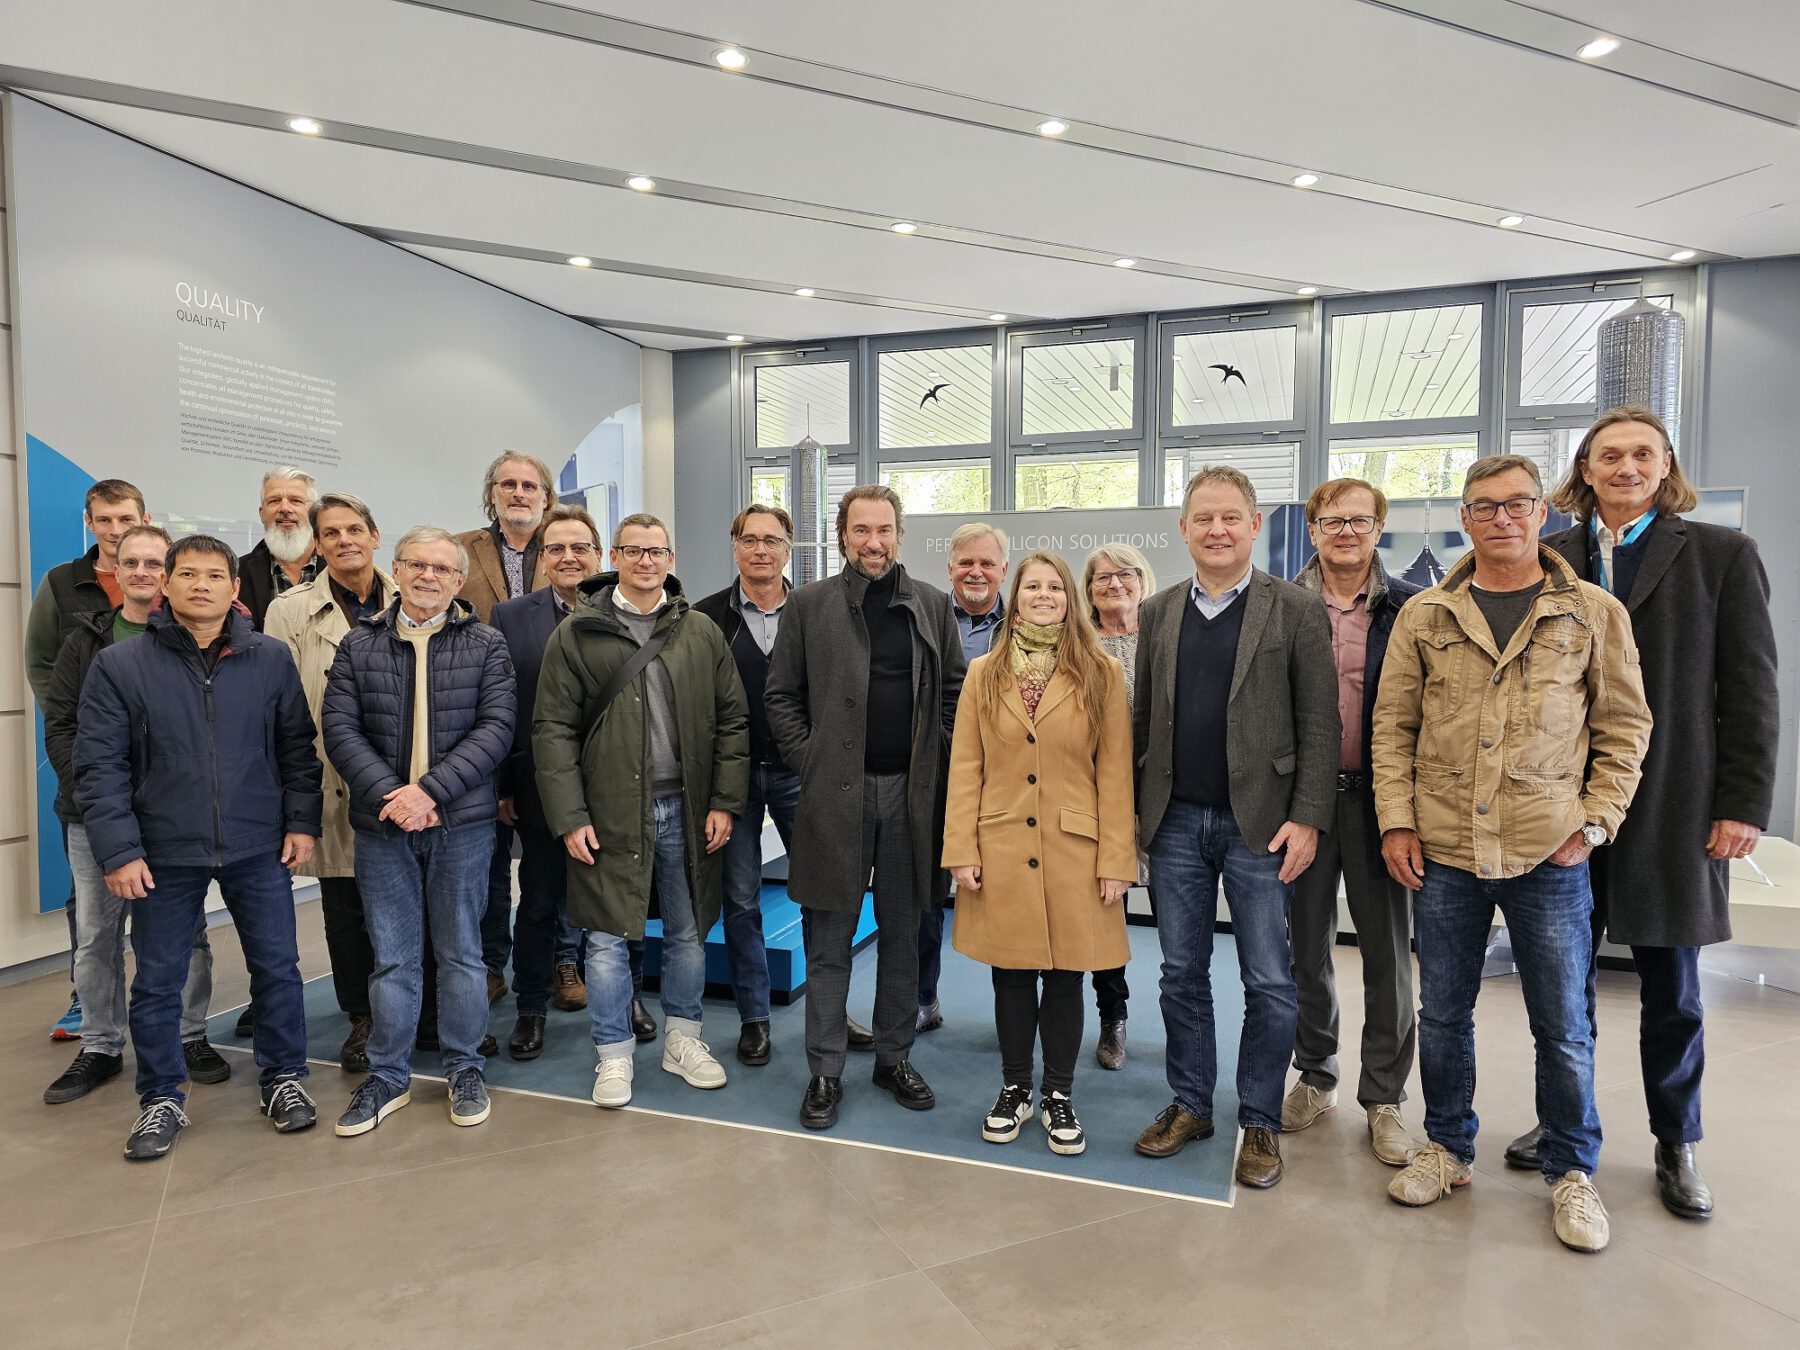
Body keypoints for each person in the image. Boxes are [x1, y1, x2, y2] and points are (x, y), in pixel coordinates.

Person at [1499, 407, 1778, 1220]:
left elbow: (1752, 689)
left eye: (1642, 455)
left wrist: (1741, 803)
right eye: (1609, 455)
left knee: (1673, 989)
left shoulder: (1722, 555)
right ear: (1585, 469)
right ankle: (1566, 1124)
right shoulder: (1551, 554)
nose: (1626, 467)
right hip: (1560, 802)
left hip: (1672, 802)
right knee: (1561, 985)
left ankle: (1676, 1140)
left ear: (1665, 466)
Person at [1373, 454, 1651, 1254]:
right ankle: (1448, 1147)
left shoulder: (1591, 612)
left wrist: (1593, 824)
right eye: (1485, 506)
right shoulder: (1426, 614)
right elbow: (1393, 727)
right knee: (1443, 1013)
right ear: (1466, 519)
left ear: (1541, 513)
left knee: (1562, 1024)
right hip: (1445, 850)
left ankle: (1571, 1170)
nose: (1502, 518)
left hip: (1547, 853)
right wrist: (1397, 822)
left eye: (1517, 504)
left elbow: (1626, 727)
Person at [74, 535, 323, 1160]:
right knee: (159, 979)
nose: (201, 585)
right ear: (166, 584)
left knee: (277, 968)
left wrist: (301, 822)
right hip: (162, 850)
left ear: (235, 589)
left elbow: (297, 748)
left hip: (257, 843)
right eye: (188, 574)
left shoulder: (269, 658)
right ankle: (160, 1096)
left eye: (215, 575)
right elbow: (99, 766)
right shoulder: (121, 665)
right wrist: (119, 851)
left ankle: (283, 1078)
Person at [1131, 466, 1339, 1191]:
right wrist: (1136, 816)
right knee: (1180, 974)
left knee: (1269, 980)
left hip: (1264, 826)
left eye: (1230, 518)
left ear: (1254, 525)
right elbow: (1143, 722)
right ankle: (1192, 1104)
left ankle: (1260, 1119)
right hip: (1175, 823)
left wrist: (1308, 817)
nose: (1216, 530)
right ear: (1184, 529)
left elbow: (1321, 722)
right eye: (1203, 518)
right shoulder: (1158, 611)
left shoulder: (1296, 609)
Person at [766, 484, 965, 1131]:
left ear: (899, 535)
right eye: (861, 530)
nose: (873, 542)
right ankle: (825, 1071)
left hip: (912, 797)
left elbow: (954, 691)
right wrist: (813, 761)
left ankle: (893, 1057)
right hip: (834, 798)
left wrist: (935, 755)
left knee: (904, 935)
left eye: (883, 530)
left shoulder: (931, 604)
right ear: (843, 536)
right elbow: (781, 696)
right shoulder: (808, 606)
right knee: (829, 941)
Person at [533, 513, 749, 1108]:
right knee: (605, 939)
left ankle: (683, 1039)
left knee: (687, 932)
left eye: (656, 552)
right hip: (608, 811)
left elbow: (732, 720)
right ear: (615, 558)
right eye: (633, 551)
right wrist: (570, 815)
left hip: (688, 806)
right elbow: (552, 730)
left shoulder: (700, 631)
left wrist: (725, 801)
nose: (646, 561)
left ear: (670, 559)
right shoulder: (576, 634)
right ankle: (613, 1054)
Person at [323, 526, 516, 1137]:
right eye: (417, 565)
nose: (429, 576)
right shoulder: (359, 644)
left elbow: (496, 729)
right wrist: (394, 796)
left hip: (461, 825)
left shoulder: (486, 644)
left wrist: (428, 792)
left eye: (441, 568)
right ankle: (388, 1075)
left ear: (458, 581)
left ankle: (464, 1066)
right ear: (397, 570)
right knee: (392, 958)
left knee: (461, 954)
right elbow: (340, 730)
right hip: (383, 827)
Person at [944, 550, 1135, 1157]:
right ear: (1016, 598)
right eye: (1033, 587)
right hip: (1000, 843)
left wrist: (1116, 861)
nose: (1044, 595)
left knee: (1066, 974)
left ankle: (1058, 1093)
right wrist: (961, 848)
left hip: (1076, 848)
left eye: (1055, 586)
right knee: (1011, 973)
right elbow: (966, 767)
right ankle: (1015, 1088)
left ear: (1069, 598)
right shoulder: (984, 673)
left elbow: (1115, 773)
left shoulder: (1101, 672)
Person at [41, 526, 226, 1104]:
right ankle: (100, 1045)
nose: (142, 572)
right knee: (96, 934)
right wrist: (103, 803)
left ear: (166, 576)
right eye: (131, 563)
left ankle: (190, 1036)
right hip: (94, 817)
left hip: (172, 820)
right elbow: (63, 727)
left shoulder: (196, 639)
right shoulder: (85, 642)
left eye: (154, 563)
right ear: (115, 572)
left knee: (187, 933)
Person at [1282, 478, 1423, 1166]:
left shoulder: (1411, 608)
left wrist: (1410, 811)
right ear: (1312, 530)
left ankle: (1385, 1097)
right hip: (1304, 804)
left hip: (1382, 803)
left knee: (1388, 956)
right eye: (1332, 521)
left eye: (1359, 521)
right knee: (1305, 947)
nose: (1346, 532)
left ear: (1378, 529)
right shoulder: (1282, 605)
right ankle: (1316, 1074)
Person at [262, 492, 398, 1072]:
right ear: (316, 545)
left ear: (375, 536)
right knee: (346, 911)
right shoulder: (288, 611)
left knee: (414, 904)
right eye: (332, 533)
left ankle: (421, 1010)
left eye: (354, 530)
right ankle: (363, 1017)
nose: (345, 541)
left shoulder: (412, 594)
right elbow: (282, 710)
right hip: (333, 780)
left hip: (405, 782)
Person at [25, 478, 149, 1040]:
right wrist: (75, 732)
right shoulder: (63, 583)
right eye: (104, 520)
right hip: (88, 763)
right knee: (91, 900)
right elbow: (41, 663)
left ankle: (169, 1017)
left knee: (171, 905)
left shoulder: (167, 580)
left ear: (144, 520)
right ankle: (90, 1007)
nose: (115, 530)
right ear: (89, 522)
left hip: (156, 772)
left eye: (126, 519)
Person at [490, 505, 605, 1060]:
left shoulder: (626, 609)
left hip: (611, 784)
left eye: (580, 547)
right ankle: (531, 1008)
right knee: (537, 900)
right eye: (556, 548)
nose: (568, 557)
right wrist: (504, 785)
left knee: (610, 899)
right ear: (541, 558)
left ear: (598, 554)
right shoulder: (510, 617)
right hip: (537, 782)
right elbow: (500, 707)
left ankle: (621, 1000)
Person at [693, 504, 799, 1067]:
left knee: (824, 895)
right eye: (750, 539)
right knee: (740, 900)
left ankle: (829, 1011)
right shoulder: (705, 618)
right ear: (734, 547)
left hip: (799, 774)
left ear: (788, 548)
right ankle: (754, 1018)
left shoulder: (814, 612)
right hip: (731, 778)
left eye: (771, 540)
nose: (761, 550)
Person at [455, 452, 558, 1012]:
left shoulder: (566, 548)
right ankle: (492, 963)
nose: (518, 493)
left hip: (552, 724)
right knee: (488, 860)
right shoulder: (459, 550)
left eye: (529, 485)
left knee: (557, 855)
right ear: (491, 493)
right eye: (507, 484)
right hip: (479, 726)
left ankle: (563, 962)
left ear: (546, 495)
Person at [916, 522, 1011, 1037]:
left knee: (1008, 898)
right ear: (949, 567)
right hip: (932, 776)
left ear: (1003, 570)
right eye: (966, 563)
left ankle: (1013, 1013)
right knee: (925, 898)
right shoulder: (923, 617)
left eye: (987, 563)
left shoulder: (1022, 624)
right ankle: (922, 998)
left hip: (1005, 784)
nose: (976, 572)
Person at [1080, 540, 1159, 1070]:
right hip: (1094, 801)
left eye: (1125, 574)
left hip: (1160, 800)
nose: (1115, 584)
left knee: (1179, 926)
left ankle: (1186, 1029)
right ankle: (1114, 1018)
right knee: (1105, 917)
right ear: (1088, 591)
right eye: (1102, 577)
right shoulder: (1077, 645)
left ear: (1142, 579)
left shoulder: (1165, 637)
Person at [239, 467, 323, 630]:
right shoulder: (236, 573)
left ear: (314, 513)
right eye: (274, 501)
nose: (285, 508)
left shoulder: (339, 570)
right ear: (262, 513)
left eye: (296, 500)